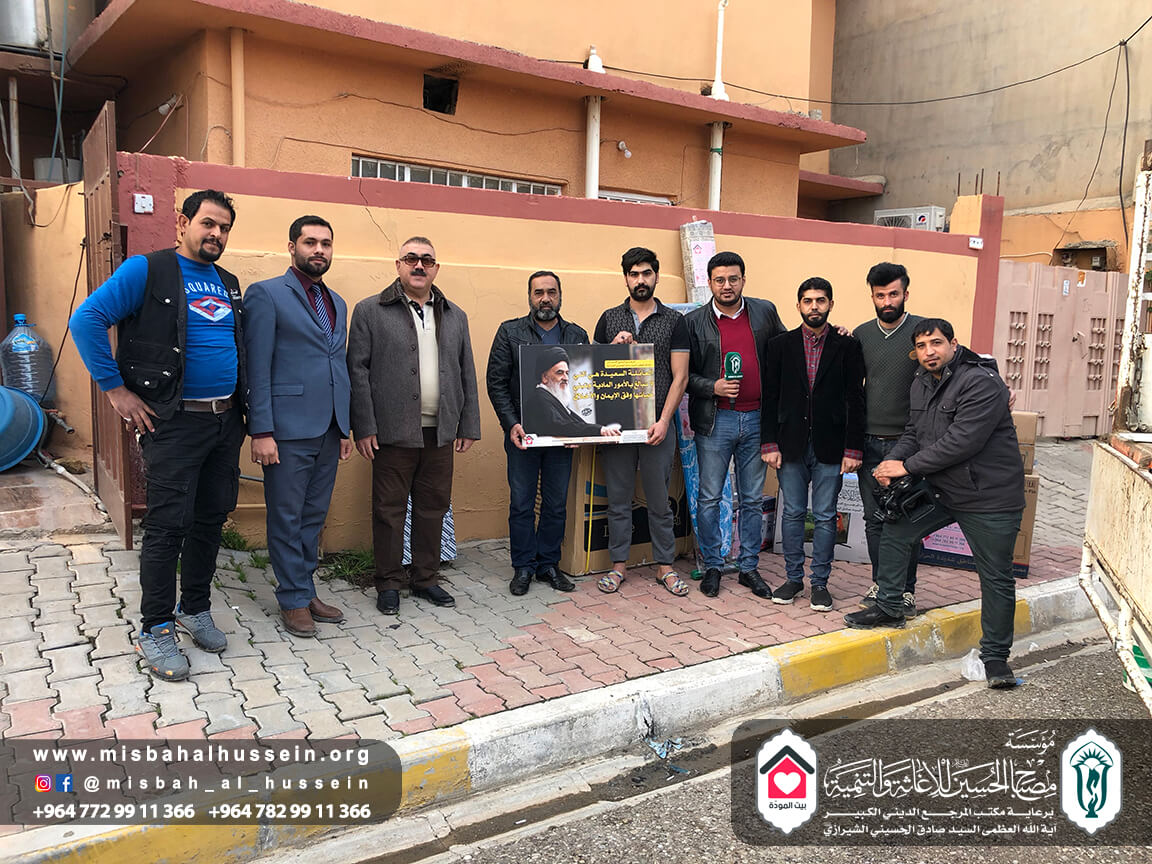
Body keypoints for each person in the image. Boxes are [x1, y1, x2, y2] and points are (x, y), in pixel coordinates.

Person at [70, 190, 245, 681]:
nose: (216, 234)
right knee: (168, 525)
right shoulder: (147, 271)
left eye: (224, 228)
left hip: (225, 421)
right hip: (174, 422)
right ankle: (156, 627)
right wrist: (115, 391)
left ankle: (195, 607)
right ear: (183, 223)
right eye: (208, 223)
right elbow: (86, 320)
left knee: (211, 519)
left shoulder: (229, 283)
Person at [844, 319, 1026, 689]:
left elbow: (962, 441)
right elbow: (914, 432)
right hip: (944, 488)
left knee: (995, 576)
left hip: (989, 496)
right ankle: (890, 605)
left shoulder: (981, 382)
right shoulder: (921, 381)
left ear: (953, 344)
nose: (929, 352)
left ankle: (995, 657)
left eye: (937, 343)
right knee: (896, 530)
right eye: (922, 346)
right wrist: (890, 462)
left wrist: (906, 466)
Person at [347, 236, 480, 616]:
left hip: (441, 431)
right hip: (392, 431)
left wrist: (468, 424)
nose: (419, 265)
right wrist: (364, 427)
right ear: (398, 265)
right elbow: (357, 371)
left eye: (427, 260)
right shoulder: (371, 310)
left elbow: (465, 371)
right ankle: (389, 582)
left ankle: (425, 579)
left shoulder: (455, 315)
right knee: (388, 510)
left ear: (436, 268)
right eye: (411, 258)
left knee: (433, 507)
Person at [243, 215, 352, 638]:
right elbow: (257, 366)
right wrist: (261, 430)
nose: (319, 250)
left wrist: (344, 426)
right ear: (292, 247)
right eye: (310, 242)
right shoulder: (267, 294)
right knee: (287, 517)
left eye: (326, 243)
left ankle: (305, 589)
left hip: (328, 427)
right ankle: (291, 598)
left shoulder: (337, 301)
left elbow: (336, 364)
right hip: (285, 430)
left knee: (313, 516)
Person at [487, 272, 605, 597]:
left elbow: (584, 386)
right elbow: (496, 382)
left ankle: (549, 564)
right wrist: (511, 423)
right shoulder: (509, 332)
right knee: (522, 503)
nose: (545, 298)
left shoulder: (576, 335)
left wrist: (583, 429)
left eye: (551, 292)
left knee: (555, 504)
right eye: (538, 292)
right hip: (522, 436)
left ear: (560, 295)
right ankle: (523, 566)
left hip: (562, 439)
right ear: (529, 296)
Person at [683, 251, 785, 598]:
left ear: (743, 279)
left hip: (757, 418)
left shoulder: (765, 311)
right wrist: (712, 386)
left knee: (752, 499)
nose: (727, 286)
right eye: (720, 280)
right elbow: (683, 375)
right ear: (709, 282)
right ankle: (713, 565)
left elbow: (786, 350)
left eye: (733, 279)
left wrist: (830, 333)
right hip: (716, 421)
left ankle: (749, 567)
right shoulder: (694, 322)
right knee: (710, 497)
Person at [761, 277, 865, 612]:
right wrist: (768, 443)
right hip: (789, 443)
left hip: (831, 446)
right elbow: (770, 397)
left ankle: (820, 583)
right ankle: (793, 579)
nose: (814, 306)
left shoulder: (847, 346)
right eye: (808, 301)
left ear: (830, 304)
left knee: (824, 515)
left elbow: (855, 399)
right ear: (798, 306)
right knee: (792, 513)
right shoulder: (780, 346)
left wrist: (853, 449)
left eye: (820, 300)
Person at [592, 247, 690, 596]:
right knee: (618, 499)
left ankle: (665, 566)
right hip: (618, 426)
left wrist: (664, 421)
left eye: (646, 273)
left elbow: (680, 377)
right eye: (634, 274)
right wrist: (612, 347)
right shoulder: (608, 318)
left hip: (656, 425)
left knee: (659, 501)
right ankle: (618, 566)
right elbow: (594, 372)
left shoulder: (674, 321)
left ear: (656, 276)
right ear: (626, 279)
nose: (640, 280)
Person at [854, 262, 925, 617]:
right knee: (874, 519)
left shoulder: (922, 332)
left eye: (893, 294)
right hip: (869, 442)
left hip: (907, 444)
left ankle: (906, 590)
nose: (887, 301)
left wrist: (997, 383)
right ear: (872, 296)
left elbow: (959, 359)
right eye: (880, 295)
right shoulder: (861, 335)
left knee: (906, 519)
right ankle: (882, 584)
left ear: (905, 294)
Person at [523, 347, 622, 438]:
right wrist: (599, 430)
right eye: (559, 373)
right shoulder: (539, 399)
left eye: (567, 373)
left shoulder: (553, 398)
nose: (566, 378)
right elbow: (560, 426)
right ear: (544, 377)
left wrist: (604, 430)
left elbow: (576, 424)